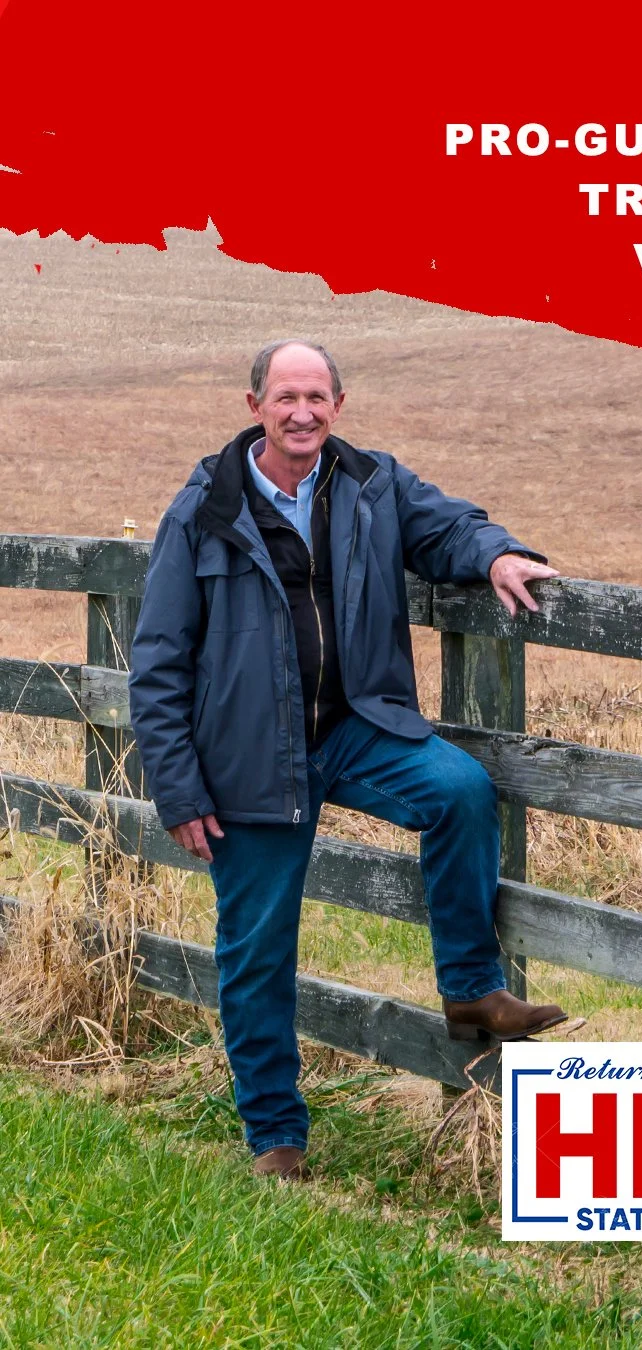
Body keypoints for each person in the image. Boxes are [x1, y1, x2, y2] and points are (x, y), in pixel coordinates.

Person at [128, 338, 569, 1180]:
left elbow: (448, 526)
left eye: (317, 397)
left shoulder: (371, 483)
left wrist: (497, 553)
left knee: (460, 790)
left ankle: (471, 988)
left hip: (354, 726)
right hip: (249, 762)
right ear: (256, 402)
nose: (303, 412)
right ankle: (276, 1139)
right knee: (256, 953)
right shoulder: (202, 512)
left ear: (339, 403)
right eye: (286, 397)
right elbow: (157, 661)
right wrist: (178, 788)